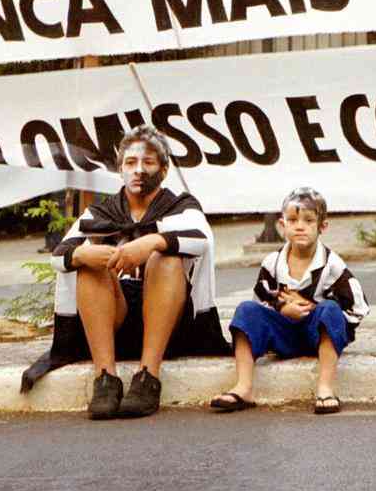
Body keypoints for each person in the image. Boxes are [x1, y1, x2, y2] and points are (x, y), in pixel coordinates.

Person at [20, 125, 230, 418]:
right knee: (90, 266)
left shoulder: (180, 205)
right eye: (130, 163)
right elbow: (59, 255)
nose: (139, 171)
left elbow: (202, 239)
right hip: (114, 321)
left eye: (148, 162)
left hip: (170, 326)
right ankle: (105, 378)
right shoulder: (105, 211)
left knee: (165, 258)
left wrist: (151, 243)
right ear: (120, 169)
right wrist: (83, 253)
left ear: (164, 169)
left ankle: (148, 377)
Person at [210, 187, 369, 415]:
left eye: (308, 220)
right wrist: (282, 308)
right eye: (293, 220)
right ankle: (243, 387)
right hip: (283, 336)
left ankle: (325, 388)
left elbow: (358, 307)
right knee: (246, 310)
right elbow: (260, 300)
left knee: (330, 309)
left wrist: (315, 310)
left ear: (322, 226)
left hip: (318, 338)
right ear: (282, 226)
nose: (300, 226)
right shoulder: (273, 263)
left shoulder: (332, 265)